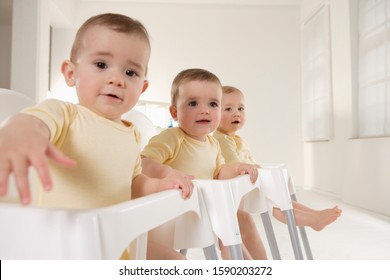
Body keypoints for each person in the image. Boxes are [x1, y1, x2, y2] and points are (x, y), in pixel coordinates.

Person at [0, 13, 192, 259]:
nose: (116, 79)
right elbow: (32, 123)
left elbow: (132, 183)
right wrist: (19, 130)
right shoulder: (64, 114)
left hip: (115, 242)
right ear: (71, 73)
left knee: (181, 262)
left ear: (142, 87)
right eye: (101, 65)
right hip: (63, 248)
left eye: (131, 73)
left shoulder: (132, 134)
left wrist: (158, 186)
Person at [140, 68, 268, 260]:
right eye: (193, 103)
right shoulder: (172, 138)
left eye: (213, 104)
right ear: (174, 112)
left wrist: (237, 168)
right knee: (228, 230)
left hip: (203, 212)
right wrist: (167, 173)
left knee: (234, 232)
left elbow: (219, 173)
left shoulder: (214, 144)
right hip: (173, 216)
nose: (204, 110)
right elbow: (144, 162)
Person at [213, 85, 342, 231]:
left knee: (282, 199)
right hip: (238, 191)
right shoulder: (221, 140)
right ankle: (312, 219)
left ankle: (314, 214)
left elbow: (249, 162)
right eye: (228, 109)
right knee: (275, 203)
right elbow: (236, 166)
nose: (236, 114)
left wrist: (259, 169)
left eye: (241, 109)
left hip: (249, 185)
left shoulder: (237, 139)